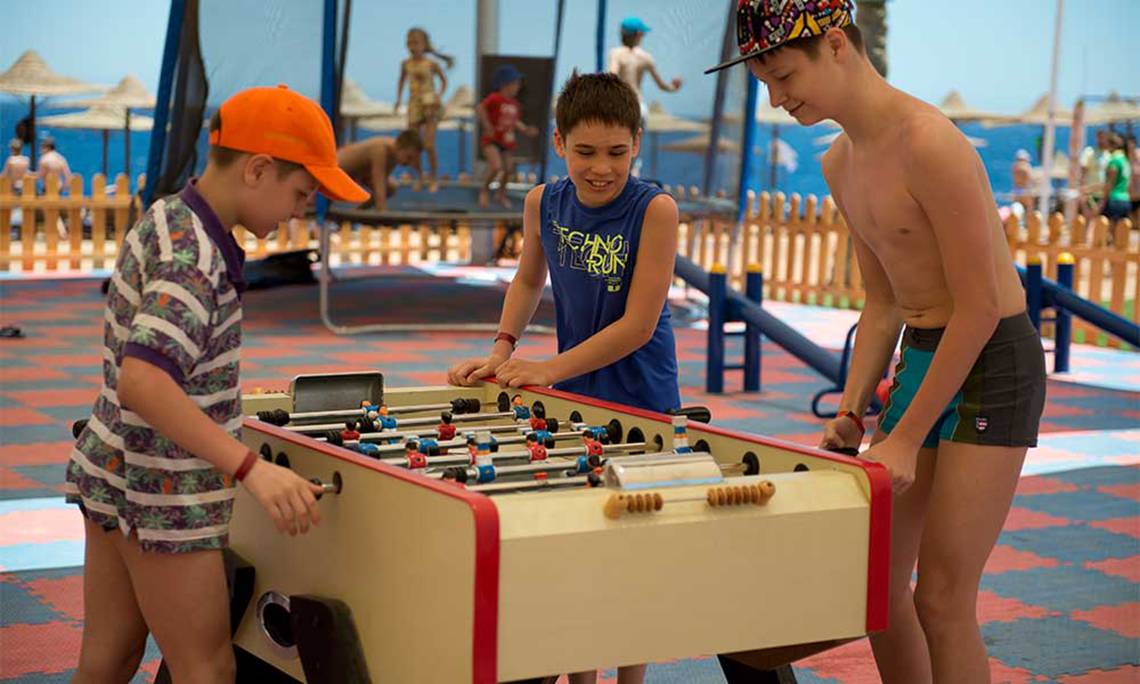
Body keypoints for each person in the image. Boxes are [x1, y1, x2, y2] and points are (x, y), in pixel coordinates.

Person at [706, 2, 1046, 683]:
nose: (776, 99)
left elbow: (978, 306)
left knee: (944, 598)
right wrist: (855, 409)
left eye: (782, 75)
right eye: (765, 85)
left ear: (835, 44)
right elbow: (884, 300)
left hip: (993, 357)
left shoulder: (930, 142)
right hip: (922, 353)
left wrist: (905, 434)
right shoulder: (838, 162)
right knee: (879, 590)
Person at [63, 84, 369, 683]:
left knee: (109, 656)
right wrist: (252, 469)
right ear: (258, 169)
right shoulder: (194, 258)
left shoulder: (167, 217)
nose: (301, 211)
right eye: (302, 193)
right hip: (164, 494)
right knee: (207, 667)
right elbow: (144, 381)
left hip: (112, 466)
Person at [448, 71, 681, 684]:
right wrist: (502, 349)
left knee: (636, 552)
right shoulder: (543, 201)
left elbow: (638, 324)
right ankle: (579, 676)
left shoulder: (655, 209)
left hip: (642, 399)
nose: (600, 168)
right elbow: (529, 279)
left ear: (637, 143)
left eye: (616, 153)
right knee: (578, 541)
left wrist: (548, 368)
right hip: (575, 394)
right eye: (584, 152)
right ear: (557, 143)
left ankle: (629, 678)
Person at [394, 27, 453, 192]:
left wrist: (438, 96)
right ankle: (419, 176)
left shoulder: (431, 64)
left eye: (416, 42)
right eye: (410, 42)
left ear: (424, 44)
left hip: (429, 104)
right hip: (414, 104)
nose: (412, 46)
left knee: (429, 144)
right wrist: (398, 99)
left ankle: (434, 177)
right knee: (413, 144)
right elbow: (401, 81)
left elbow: (443, 81)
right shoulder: (406, 64)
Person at [477, 64, 539, 209]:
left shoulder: (515, 104)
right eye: (515, 84)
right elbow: (480, 108)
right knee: (496, 166)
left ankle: (501, 193)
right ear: (505, 84)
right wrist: (487, 126)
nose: (518, 87)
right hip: (492, 140)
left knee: (508, 169)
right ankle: (484, 190)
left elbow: (515, 121)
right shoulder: (495, 98)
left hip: (506, 141)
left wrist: (526, 129)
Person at [337, 130, 424, 210]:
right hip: (337, 170)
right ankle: (357, 214)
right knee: (382, 189)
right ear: (399, 147)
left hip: (354, 173)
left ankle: (357, 212)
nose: (409, 163)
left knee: (390, 188)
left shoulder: (394, 154)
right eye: (409, 157)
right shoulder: (380, 150)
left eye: (413, 159)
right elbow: (379, 186)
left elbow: (380, 185)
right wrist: (383, 215)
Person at [1099, 131, 1132, 223]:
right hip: (1125, 199)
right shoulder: (1125, 159)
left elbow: (1109, 183)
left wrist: (1102, 201)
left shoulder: (1114, 160)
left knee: (1107, 231)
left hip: (1114, 200)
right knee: (1121, 232)